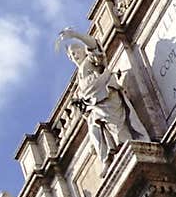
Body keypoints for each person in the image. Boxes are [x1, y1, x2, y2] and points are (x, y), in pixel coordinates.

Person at [56, 29, 149, 165]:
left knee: (116, 127)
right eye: (70, 55)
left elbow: (94, 46)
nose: (73, 56)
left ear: (83, 50)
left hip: (107, 99)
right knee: (95, 133)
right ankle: (108, 159)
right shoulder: (79, 79)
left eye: (75, 51)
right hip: (94, 108)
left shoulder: (91, 60)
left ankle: (124, 146)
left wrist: (76, 35)